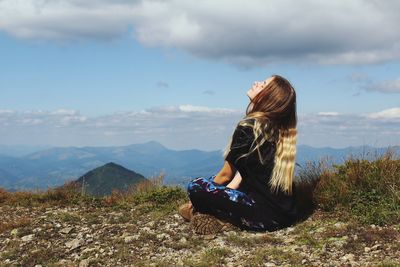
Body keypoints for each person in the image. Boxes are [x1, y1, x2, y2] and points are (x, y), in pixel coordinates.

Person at [179, 74, 299, 232]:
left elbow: (225, 175)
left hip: (263, 218)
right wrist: (225, 191)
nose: (256, 82)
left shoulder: (249, 127)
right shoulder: (277, 130)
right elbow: (245, 172)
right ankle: (215, 213)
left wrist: (202, 198)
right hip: (284, 216)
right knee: (211, 182)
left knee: (195, 185)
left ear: (267, 96)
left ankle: (202, 212)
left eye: (263, 84)